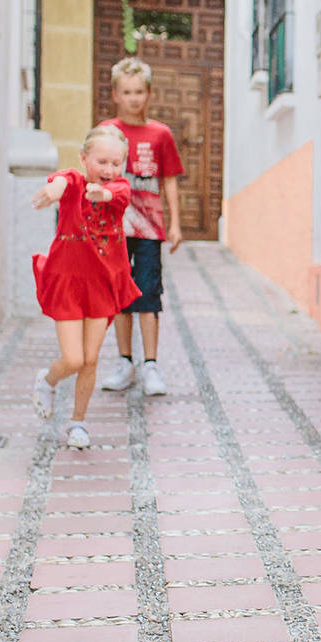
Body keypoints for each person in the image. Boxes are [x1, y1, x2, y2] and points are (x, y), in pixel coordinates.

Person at [31, 126, 143, 449]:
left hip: (101, 283)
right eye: (101, 162)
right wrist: (56, 189)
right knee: (74, 359)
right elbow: (62, 179)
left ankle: (77, 423)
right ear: (84, 159)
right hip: (68, 281)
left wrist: (105, 193)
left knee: (91, 359)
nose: (109, 170)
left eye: (115, 163)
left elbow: (120, 194)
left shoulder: (119, 189)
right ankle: (48, 379)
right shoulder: (74, 183)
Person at [95, 57, 184, 397]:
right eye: (126, 92)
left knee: (148, 294)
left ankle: (150, 365)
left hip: (148, 229)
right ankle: (124, 361)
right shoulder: (108, 132)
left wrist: (174, 224)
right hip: (114, 229)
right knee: (119, 296)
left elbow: (170, 180)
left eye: (139, 92)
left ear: (149, 94)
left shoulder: (160, 134)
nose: (133, 98)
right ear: (115, 94)